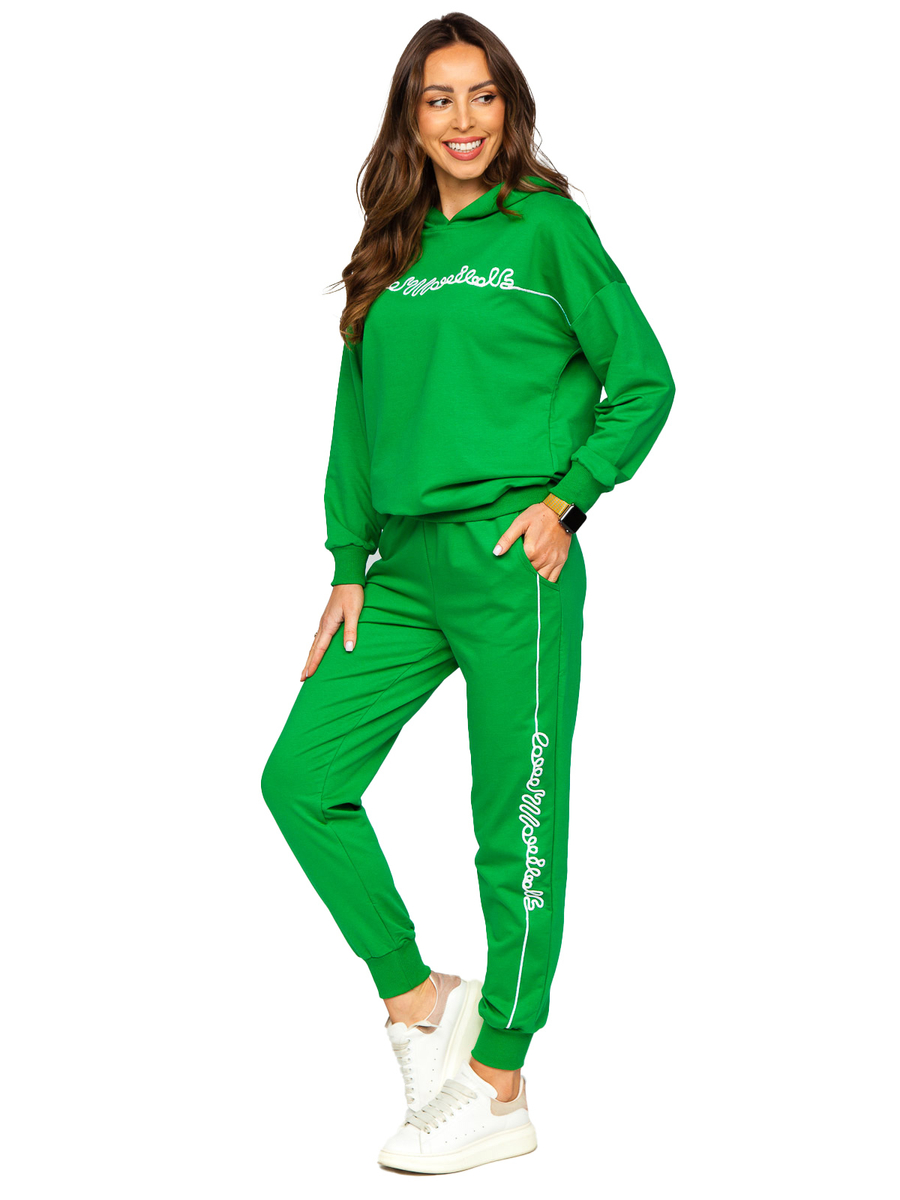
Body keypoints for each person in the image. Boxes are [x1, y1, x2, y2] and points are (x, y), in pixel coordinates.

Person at [260, 11, 675, 1174]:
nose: (463, 119)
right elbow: (354, 420)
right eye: (438, 98)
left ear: (509, 107)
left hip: (511, 562)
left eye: (482, 95)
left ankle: (499, 1075)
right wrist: (347, 565)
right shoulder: (388, 245)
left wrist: (568, 501)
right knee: (301, 781)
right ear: (410, 115)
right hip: (400, 570)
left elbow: (646, 380)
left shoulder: (546, 229)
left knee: (517, 817)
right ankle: (418, 997)